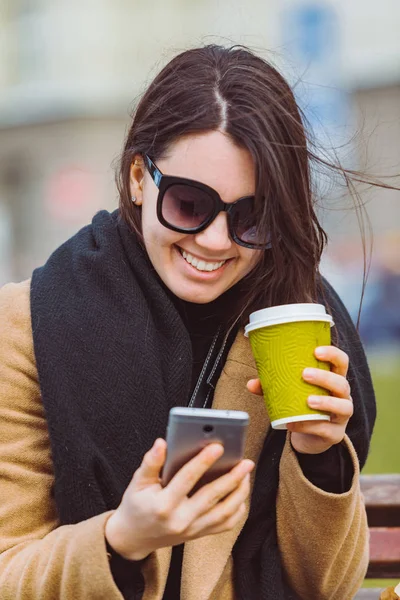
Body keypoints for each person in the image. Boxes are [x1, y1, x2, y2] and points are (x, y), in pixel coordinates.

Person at [0, 45, 377, 600]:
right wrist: (120, 539)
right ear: (137, 178)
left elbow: (325, 588)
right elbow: (10, 568)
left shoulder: (297, 323)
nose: (216, 241)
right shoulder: (29, 324)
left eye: (252, 216)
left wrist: (319, 456)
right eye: (188, 204)